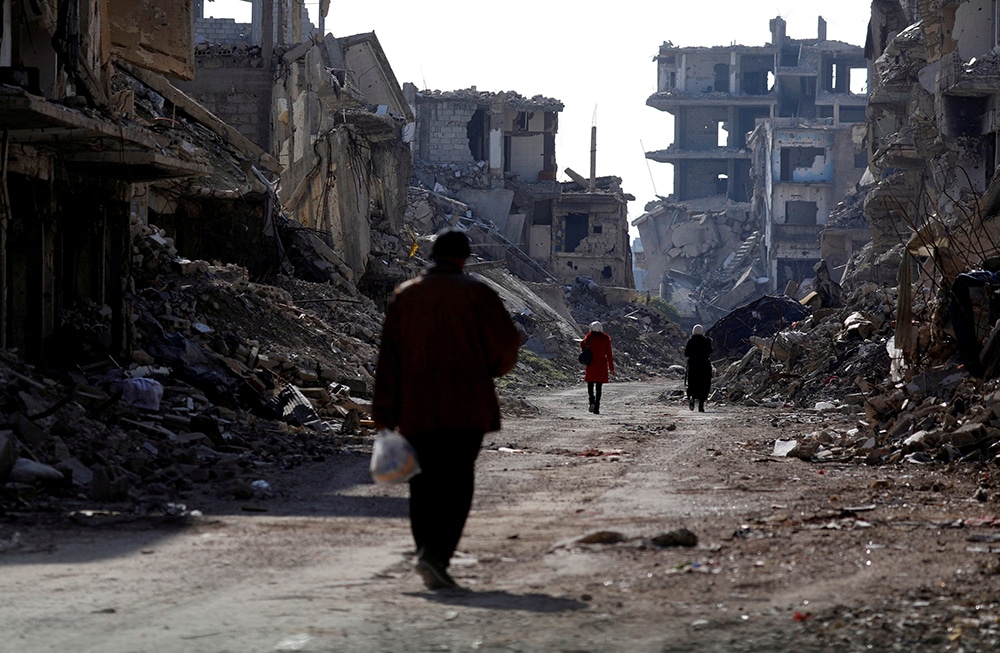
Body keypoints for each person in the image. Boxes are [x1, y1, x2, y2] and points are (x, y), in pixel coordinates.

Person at [372, 228, 521, 591]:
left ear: (432, 255)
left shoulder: (406, 296)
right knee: (457, 482)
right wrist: (488, 369)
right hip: (466, 406)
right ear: (465, 257)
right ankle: (437, 556)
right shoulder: (478, 294)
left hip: (417, 408)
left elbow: (388, 359)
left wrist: (384, 412)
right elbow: (505, 347)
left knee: (422, 484)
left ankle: (426, 550)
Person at [581, 321, 615, 414]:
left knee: (590, 384)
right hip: (601, 364)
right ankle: (597, 407)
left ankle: (591, 401)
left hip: (591, 363)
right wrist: (611, 368)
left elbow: (583, 346)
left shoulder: (589, 337)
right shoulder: (605, 339)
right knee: (599, 387)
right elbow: (609, 354)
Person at [684, 324, 713, 412]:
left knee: (692, 383)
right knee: (704, 384)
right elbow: (710, 351)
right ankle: (701, 405)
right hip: (704, 366)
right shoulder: (706, 341)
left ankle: (692, 398)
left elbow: (686, 353)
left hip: (693, 366)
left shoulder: (691, 341)